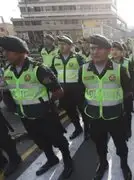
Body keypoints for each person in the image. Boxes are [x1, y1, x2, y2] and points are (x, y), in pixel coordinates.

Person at [0, 36, 73, 178]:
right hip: (26, 117)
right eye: (3, 51)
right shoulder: (8, 71)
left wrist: (46, 104)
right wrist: (15, 108)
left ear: (20, 52)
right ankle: (51, 159)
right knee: (40, 141)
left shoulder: (39, 69)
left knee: (59, 140)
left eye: (8, 51)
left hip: (45, 116)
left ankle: (68, 161)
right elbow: (6, 92)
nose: (4, 55)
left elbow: (58, 92)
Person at [78, 35, 132, 180]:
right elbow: (80, 94)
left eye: (99, 49)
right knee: (99, 144)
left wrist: (127, 121)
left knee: (121, 145)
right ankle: (102, 163)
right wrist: (86, 113)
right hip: (95, 117)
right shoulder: (83, 69)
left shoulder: (119, 70)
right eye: (92, 48)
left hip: (116, 116)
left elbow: (128, 94)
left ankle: (124, 164)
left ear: (108, 50)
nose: (95, 52)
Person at [50, 36, 88, 140]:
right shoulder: (55, 58)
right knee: (70, 111)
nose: (61, 46)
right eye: (59, 44)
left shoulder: (78, 58)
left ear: (71, 46)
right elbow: (51, 73)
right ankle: (78, 128)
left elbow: (86, 72)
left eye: (64, 44)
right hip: (63, 90)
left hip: (77, 89)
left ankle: (87, 129)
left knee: (83, 110)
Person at [111, 41, 134, 139]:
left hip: (126, 93)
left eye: (117, 50)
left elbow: (133, 77)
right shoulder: (107, 63)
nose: (114, 52)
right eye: (112, 49)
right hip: (112, 94)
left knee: (127, 113)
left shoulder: (127, 62)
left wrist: (130, 91)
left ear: (122, 52)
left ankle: (128, 129)